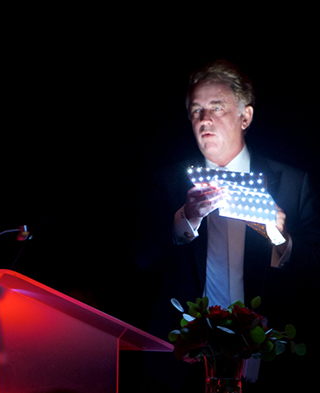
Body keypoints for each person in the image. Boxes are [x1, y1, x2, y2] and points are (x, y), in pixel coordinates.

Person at [135, 60, 320, 392]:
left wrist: (281, 240)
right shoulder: (167, 182)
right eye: (196, 110)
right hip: (182, 366)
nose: (204, 119)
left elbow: (316, 272)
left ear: (245, 117)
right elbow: (141, 261)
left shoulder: (293, 184)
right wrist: (185, 219)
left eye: (216, 108)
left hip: (268, 363)